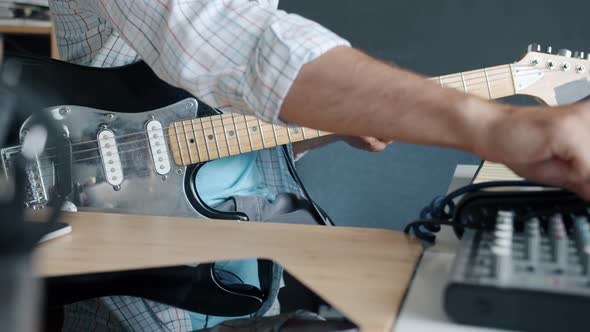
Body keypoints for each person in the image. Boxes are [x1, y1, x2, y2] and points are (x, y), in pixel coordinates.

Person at [47, 0, 590, 331]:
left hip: (223, 273)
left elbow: (212, 119)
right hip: (108, 255)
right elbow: (229, 46)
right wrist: (498, 127)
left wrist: (323, 122)